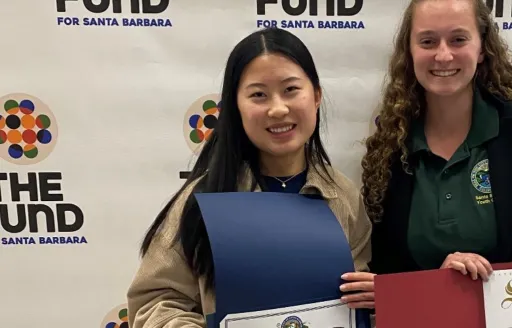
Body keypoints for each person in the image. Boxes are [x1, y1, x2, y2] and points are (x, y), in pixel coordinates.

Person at [126, 27, 374, 328]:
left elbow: (357, 302)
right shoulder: (206, 198)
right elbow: (154, 302)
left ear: (317, 95)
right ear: (236, 106)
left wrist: (375, 301)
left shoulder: (343, 197)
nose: (278, 108)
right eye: (258, 95)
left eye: (291, 89)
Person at [360, 0, 512, 284]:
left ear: (482, 49)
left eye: (458, 40)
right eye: (428, 41)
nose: (443, 55)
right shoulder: (392, 145)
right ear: (409, 51)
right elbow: (388, 277)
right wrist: (441, 283)